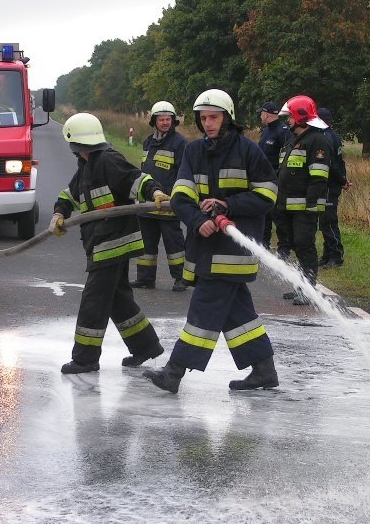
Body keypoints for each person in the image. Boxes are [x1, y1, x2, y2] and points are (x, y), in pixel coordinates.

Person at [143, 89, 279, 393]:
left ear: (227, 117)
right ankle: (264, 370)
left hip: (234, 249)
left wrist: (228, 205)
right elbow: (181, 197)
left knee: (204, 311)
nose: (208, 123)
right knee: (238, 314)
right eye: (203, 118)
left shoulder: (248, 151)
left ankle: (174, 372)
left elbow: (268, 194)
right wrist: (198, 221)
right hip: (206, 247)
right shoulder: (193, 152)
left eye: (214, 117)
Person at [49, 112, 171, 374]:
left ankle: (85, 358)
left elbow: (136, 179)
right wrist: (60, 212)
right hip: (103, 243)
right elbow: (70, 195)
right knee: (118, 298)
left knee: (94, 301)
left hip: (111, 244)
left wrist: (156, 192)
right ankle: (146, 346)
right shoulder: (87, 166)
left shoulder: (107, 160)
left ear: (74, 144)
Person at [277, 95, 331, 306]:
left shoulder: (317, 141)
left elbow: (319, 176)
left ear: (300, 116)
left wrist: (310, 203)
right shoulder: (295, 140)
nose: (287, 121)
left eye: (289, 116)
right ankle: (301, 286)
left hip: (304, 208)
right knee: (296, 246)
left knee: (304, 245)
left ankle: (308, 290)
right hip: (289, 206)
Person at [130, 101, 189, 292]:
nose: (165, 123)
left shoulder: (180, 143)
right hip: (147, 205)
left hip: (168, 204)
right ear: (154, 121)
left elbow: (183, 172)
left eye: (168, 119)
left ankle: (181, 278)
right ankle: (145, 279)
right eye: (161, 119)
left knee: (175, 245)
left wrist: (175, 197)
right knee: (146, 244)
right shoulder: (148, 142)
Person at [256, 101, 292, 259]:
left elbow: (287, 158)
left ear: (267, 114)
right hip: (263, 180)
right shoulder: (265, 132)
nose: (260, 116)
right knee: (264, 214)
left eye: (261, 113)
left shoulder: (283, 132)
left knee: (279, 216)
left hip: (278, 181)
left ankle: (284, 249)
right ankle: (262, 245)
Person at [317, 107, 350, 268]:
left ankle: (336, 255)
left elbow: (333, 165)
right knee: (324, 221)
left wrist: (342, 181)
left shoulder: (327, 138)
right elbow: (340, 162)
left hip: (330, 185)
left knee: (328, 221)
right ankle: (327, 254)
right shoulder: (332, 135)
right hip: (331, 183)